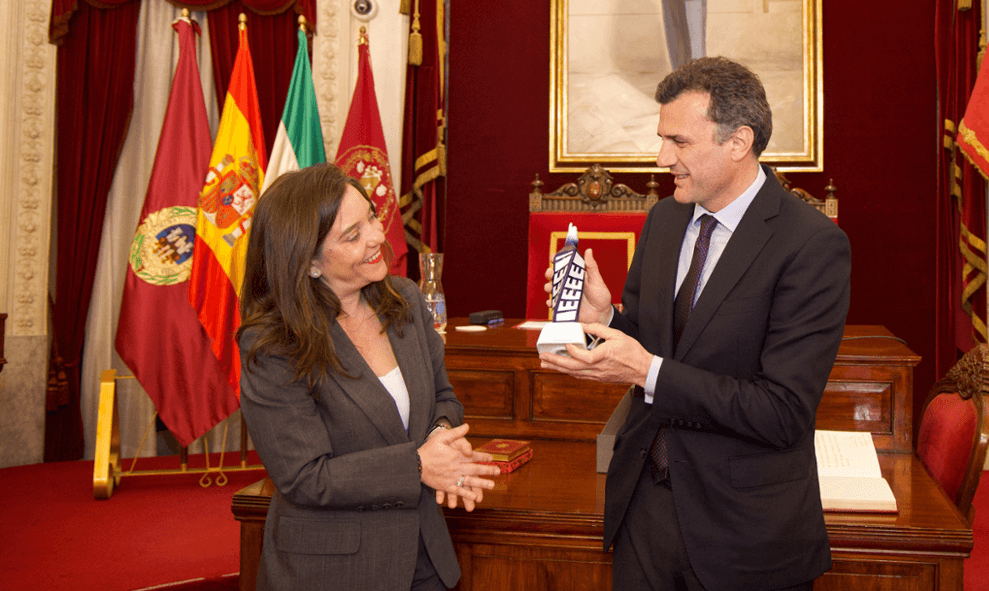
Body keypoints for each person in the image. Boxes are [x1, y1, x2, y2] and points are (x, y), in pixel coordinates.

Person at [540, 57, 851, 591]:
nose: (662, 158)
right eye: (663, 140)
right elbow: (656, 342)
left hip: (743, 531)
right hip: (644, 512)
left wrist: (647, 372)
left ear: (738, 142)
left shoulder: (811, 245)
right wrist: (605, 317)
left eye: (679, 143)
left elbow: (781, 411)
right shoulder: (665, 219)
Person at [237, 163, 499, 591]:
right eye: (353, 235)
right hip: (332, 572)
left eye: (372, 217)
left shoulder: (407, 301)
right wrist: (418, 465)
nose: (379, 236)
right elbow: (305, 477)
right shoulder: (273, 344)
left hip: (426, 558)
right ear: (308, 263)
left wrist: (440, 439)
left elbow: (443, 399)